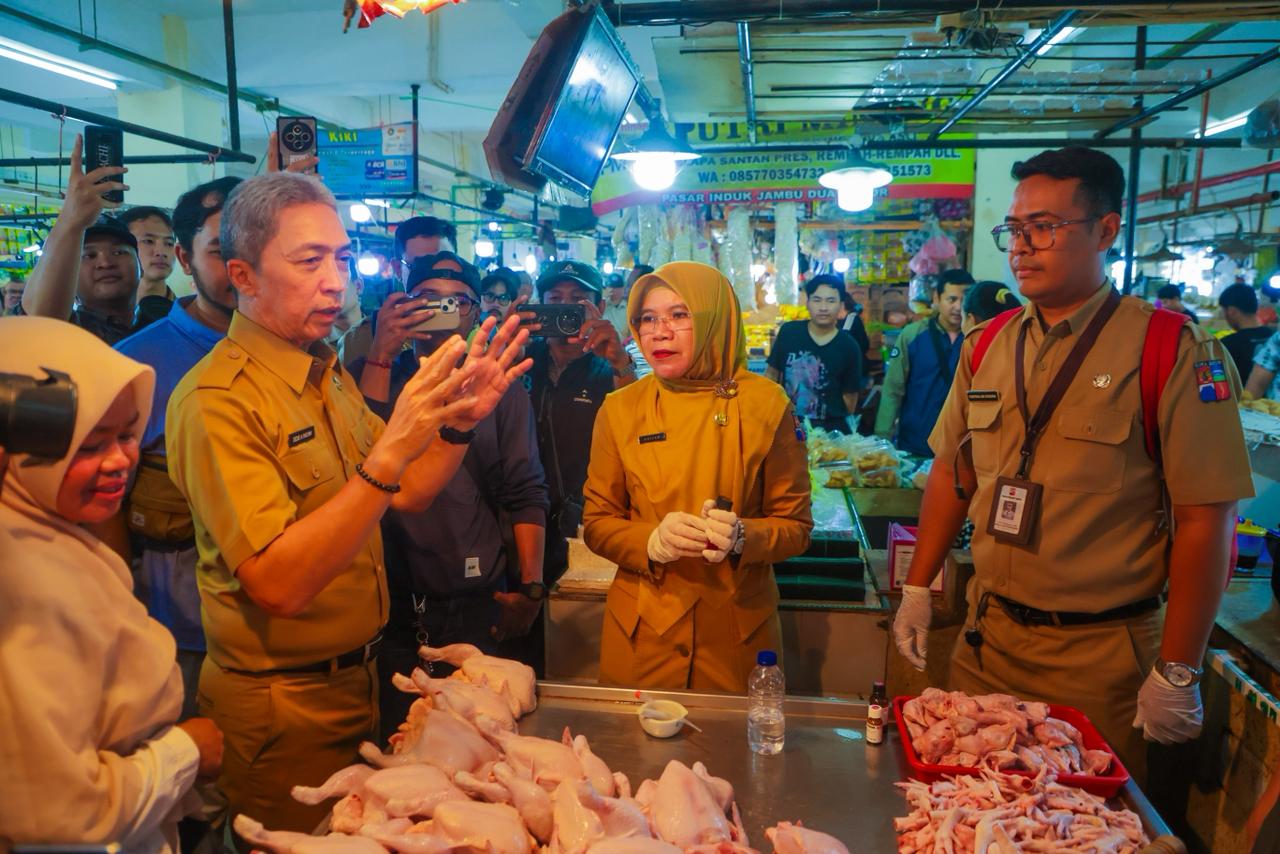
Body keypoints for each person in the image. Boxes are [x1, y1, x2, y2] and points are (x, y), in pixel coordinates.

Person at [165, 173, 531, 836]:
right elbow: (277, 583)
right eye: (309, 262)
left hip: (361, 681)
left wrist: (457, 424)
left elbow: (410, 491)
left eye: (341, 259)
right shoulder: (218, 401)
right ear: (243, 275)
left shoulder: (323, 370)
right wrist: (388, 453)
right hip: (280, 707)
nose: (336, 282)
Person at [891, 146, 1253, 782]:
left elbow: (1206, 518)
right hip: (987, 642)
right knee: (969, 823)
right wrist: (919, 588)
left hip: (1102, 660)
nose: (1021, 247)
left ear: (1106, 230)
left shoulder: (1169, 348)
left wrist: (1178, 669)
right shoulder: (987, 345)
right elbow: (955, 472)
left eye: (1045, 227)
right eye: (1014, 230)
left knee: (1083, 834)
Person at [0, 316, 224, 852]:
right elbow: (58, 808)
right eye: (88, 445)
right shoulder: (24, 579)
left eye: (128, 435)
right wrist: (185, 753)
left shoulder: (49, 534)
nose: (122, 460)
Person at [582, 261, 813, 691]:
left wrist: (744, 536)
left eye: (679, 315)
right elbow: (597, 523)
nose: (659, 331)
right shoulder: (620, 408)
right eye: (647, 319)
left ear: (713, 319)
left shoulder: (767, 405)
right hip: (642, 633)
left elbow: (796, 528)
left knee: (730, 755)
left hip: (735, 638)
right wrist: (649, 541)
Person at [355, 251, 547, 740]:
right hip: (392, 598)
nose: (442, 311)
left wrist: (530, 587)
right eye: (426, 300)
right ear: (402, 303)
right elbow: (366, 450)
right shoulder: (370, 373)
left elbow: (526, 488)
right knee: (404, 740)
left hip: (475, 595)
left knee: (485, 740)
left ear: (475, 309)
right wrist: (381, 348)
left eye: (456, 301)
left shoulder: (496, 387)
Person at [113, 177, 242, 719]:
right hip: (185, 637)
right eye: (222, 251)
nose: (244, 265)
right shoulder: (134, 365)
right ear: (185, 260)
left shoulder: (308, 356)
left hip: (291, 636)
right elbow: (106, 510)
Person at [520, 261, 635, 675]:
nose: (565, 312)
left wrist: (619, 361)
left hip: (585, 532)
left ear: (600, 308)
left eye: (577, 302)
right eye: (554, 302)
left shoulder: (611, 368)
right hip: (519, 526)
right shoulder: (521, 362)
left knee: (579, 646)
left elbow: (638, 432)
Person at [17, 136, 141, 344]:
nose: (104, 263)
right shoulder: (70, 336)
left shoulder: (162, 321)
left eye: (118, 252)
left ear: (141, 266)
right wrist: (71, 222)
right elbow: (41, 322)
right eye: (89, 255)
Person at [875, 269, 974, 456]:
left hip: (962, 445)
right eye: (951, 299)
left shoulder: (978, 338)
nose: (958, 307)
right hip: (916, 441)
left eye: (964, 301)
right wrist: (883, 440)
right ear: (936, 298)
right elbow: (892, 390)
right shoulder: (912, 335)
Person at [765, 274, 864, 434]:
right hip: (788, 429)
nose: (823, 307)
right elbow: (771, 376)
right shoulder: (789, 332)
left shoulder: (849, 346)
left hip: (832, 436)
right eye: (817, 300)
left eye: (830, 301)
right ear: (808, 303)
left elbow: (850, 401)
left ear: (841, 305)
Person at [120, 205, 178, 329]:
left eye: (169, 243)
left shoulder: (188, 317)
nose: (161, 252)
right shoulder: (102, 316)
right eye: (148, 241)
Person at [1219, 283, 1271, 384]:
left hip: (1242, 399)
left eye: (1224, 311)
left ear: (1231, 311)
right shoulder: (1274, 337)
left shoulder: (1227, 345)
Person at [602, 272, 630, 339]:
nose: (614, 290)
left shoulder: (629, 308)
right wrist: (602, 299)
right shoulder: (602, 306)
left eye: (617, 287)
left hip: (624, 347)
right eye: (611, 287)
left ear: (623, 288)